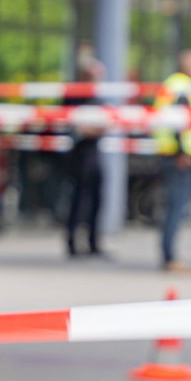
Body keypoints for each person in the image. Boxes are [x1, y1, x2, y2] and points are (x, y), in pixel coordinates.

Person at [153, 49, 191, 272]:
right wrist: (183, 152)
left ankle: (169, 256)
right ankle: (170, 258)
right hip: (179, 158)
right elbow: (178, 122)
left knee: (174, 208)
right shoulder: (183, 87)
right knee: (175, 209)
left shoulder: (174, 85)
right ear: (190, 65)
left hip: (174, 155)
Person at [64, 58, 108, 259]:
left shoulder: (97, 97)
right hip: (80, 153)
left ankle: (93, 242)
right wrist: (91, 129)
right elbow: (74, 125)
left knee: (97, 198)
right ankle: (72, 241)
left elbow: (105, 123)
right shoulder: (74, 96)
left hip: (94, 152)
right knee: (79, 199)